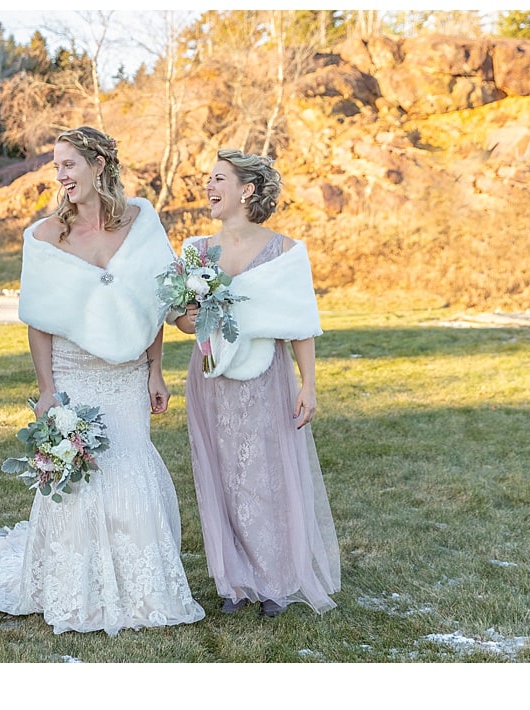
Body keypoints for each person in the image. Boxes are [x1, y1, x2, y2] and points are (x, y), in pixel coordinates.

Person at [0, 126, 205, 635]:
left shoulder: (141, 222)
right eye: (57, 166)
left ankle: (143, 593)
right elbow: (39, 320)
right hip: (74, 374)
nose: (62, 175)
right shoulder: (46, 237)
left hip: (126, 376)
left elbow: (153, 304)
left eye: (69, 164)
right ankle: (73, 589)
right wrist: (47, 389)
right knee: (78, 481)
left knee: (131, 469)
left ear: (98, 164)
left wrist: (155, 369)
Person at [173, 149, 340, 618]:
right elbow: (182, 321)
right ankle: (234, 582)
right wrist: (188, 319)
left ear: (246, 190)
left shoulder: (285, 251)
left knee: (267, 475)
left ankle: (275, 580)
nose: (208, 185)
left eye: (218, 178)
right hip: (211, 378)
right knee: (220, 474)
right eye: (208, 178)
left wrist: (308, 384)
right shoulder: (195, 251)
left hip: (267, 377)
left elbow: (300, 324)